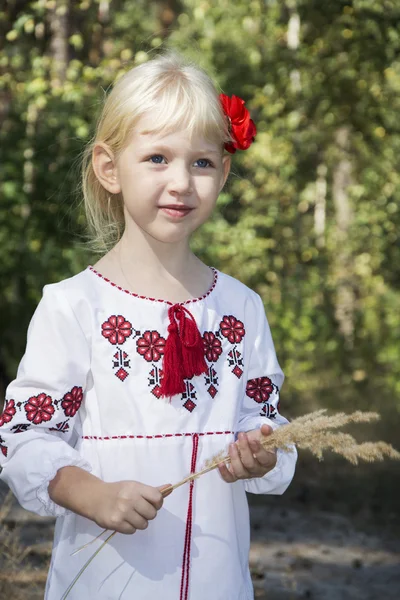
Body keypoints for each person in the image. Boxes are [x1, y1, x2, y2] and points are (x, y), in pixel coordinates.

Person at [0, 52, 297, 600]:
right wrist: (89, 492)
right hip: (106, 579)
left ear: (224, 171)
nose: (181, 182)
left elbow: (265, 420)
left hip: (216, 579)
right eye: (157, 158)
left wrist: (261, 450)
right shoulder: (74, 306)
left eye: (202, 163)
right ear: (110, 168)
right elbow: (24, 437)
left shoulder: (241, 308)